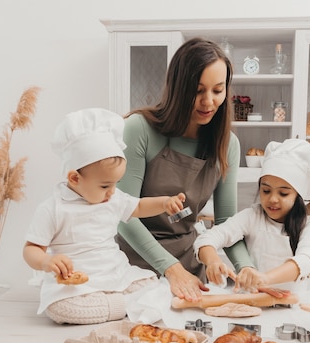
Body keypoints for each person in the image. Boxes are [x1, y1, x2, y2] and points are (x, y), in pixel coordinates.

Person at [115, 37, 254, 303]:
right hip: (133, 265)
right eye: (198, 90)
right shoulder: (139, 129)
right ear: (178, 87)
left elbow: (227, 223)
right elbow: (124, 216)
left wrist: (246, 268)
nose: (208, 102)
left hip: (188, 266)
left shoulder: (228, 145)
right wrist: (171, 270)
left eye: (217, 90)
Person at [23, 108, 187, 325]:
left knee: (154, 283)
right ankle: (126, 305)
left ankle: (115, 303)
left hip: (115, 272)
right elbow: (31, 249)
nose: (112, 191)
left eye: (115, 184)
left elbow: (138, 207)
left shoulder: (112, 198)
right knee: (60, 309)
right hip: (78, 285)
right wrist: (46, 261)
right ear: (74, 178)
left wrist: (164, 203)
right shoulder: (53, 208)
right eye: (104, 185)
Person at [194, 139, 310, 295]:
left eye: (283, 193)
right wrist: (213, 261)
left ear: (299, 196)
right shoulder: (252, 216)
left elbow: (308, 259)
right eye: (266, 191)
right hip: (252, 305)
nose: (272, 199)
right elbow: (207, 238)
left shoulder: (309, 227)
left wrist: (264, 278)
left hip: (290, 309)